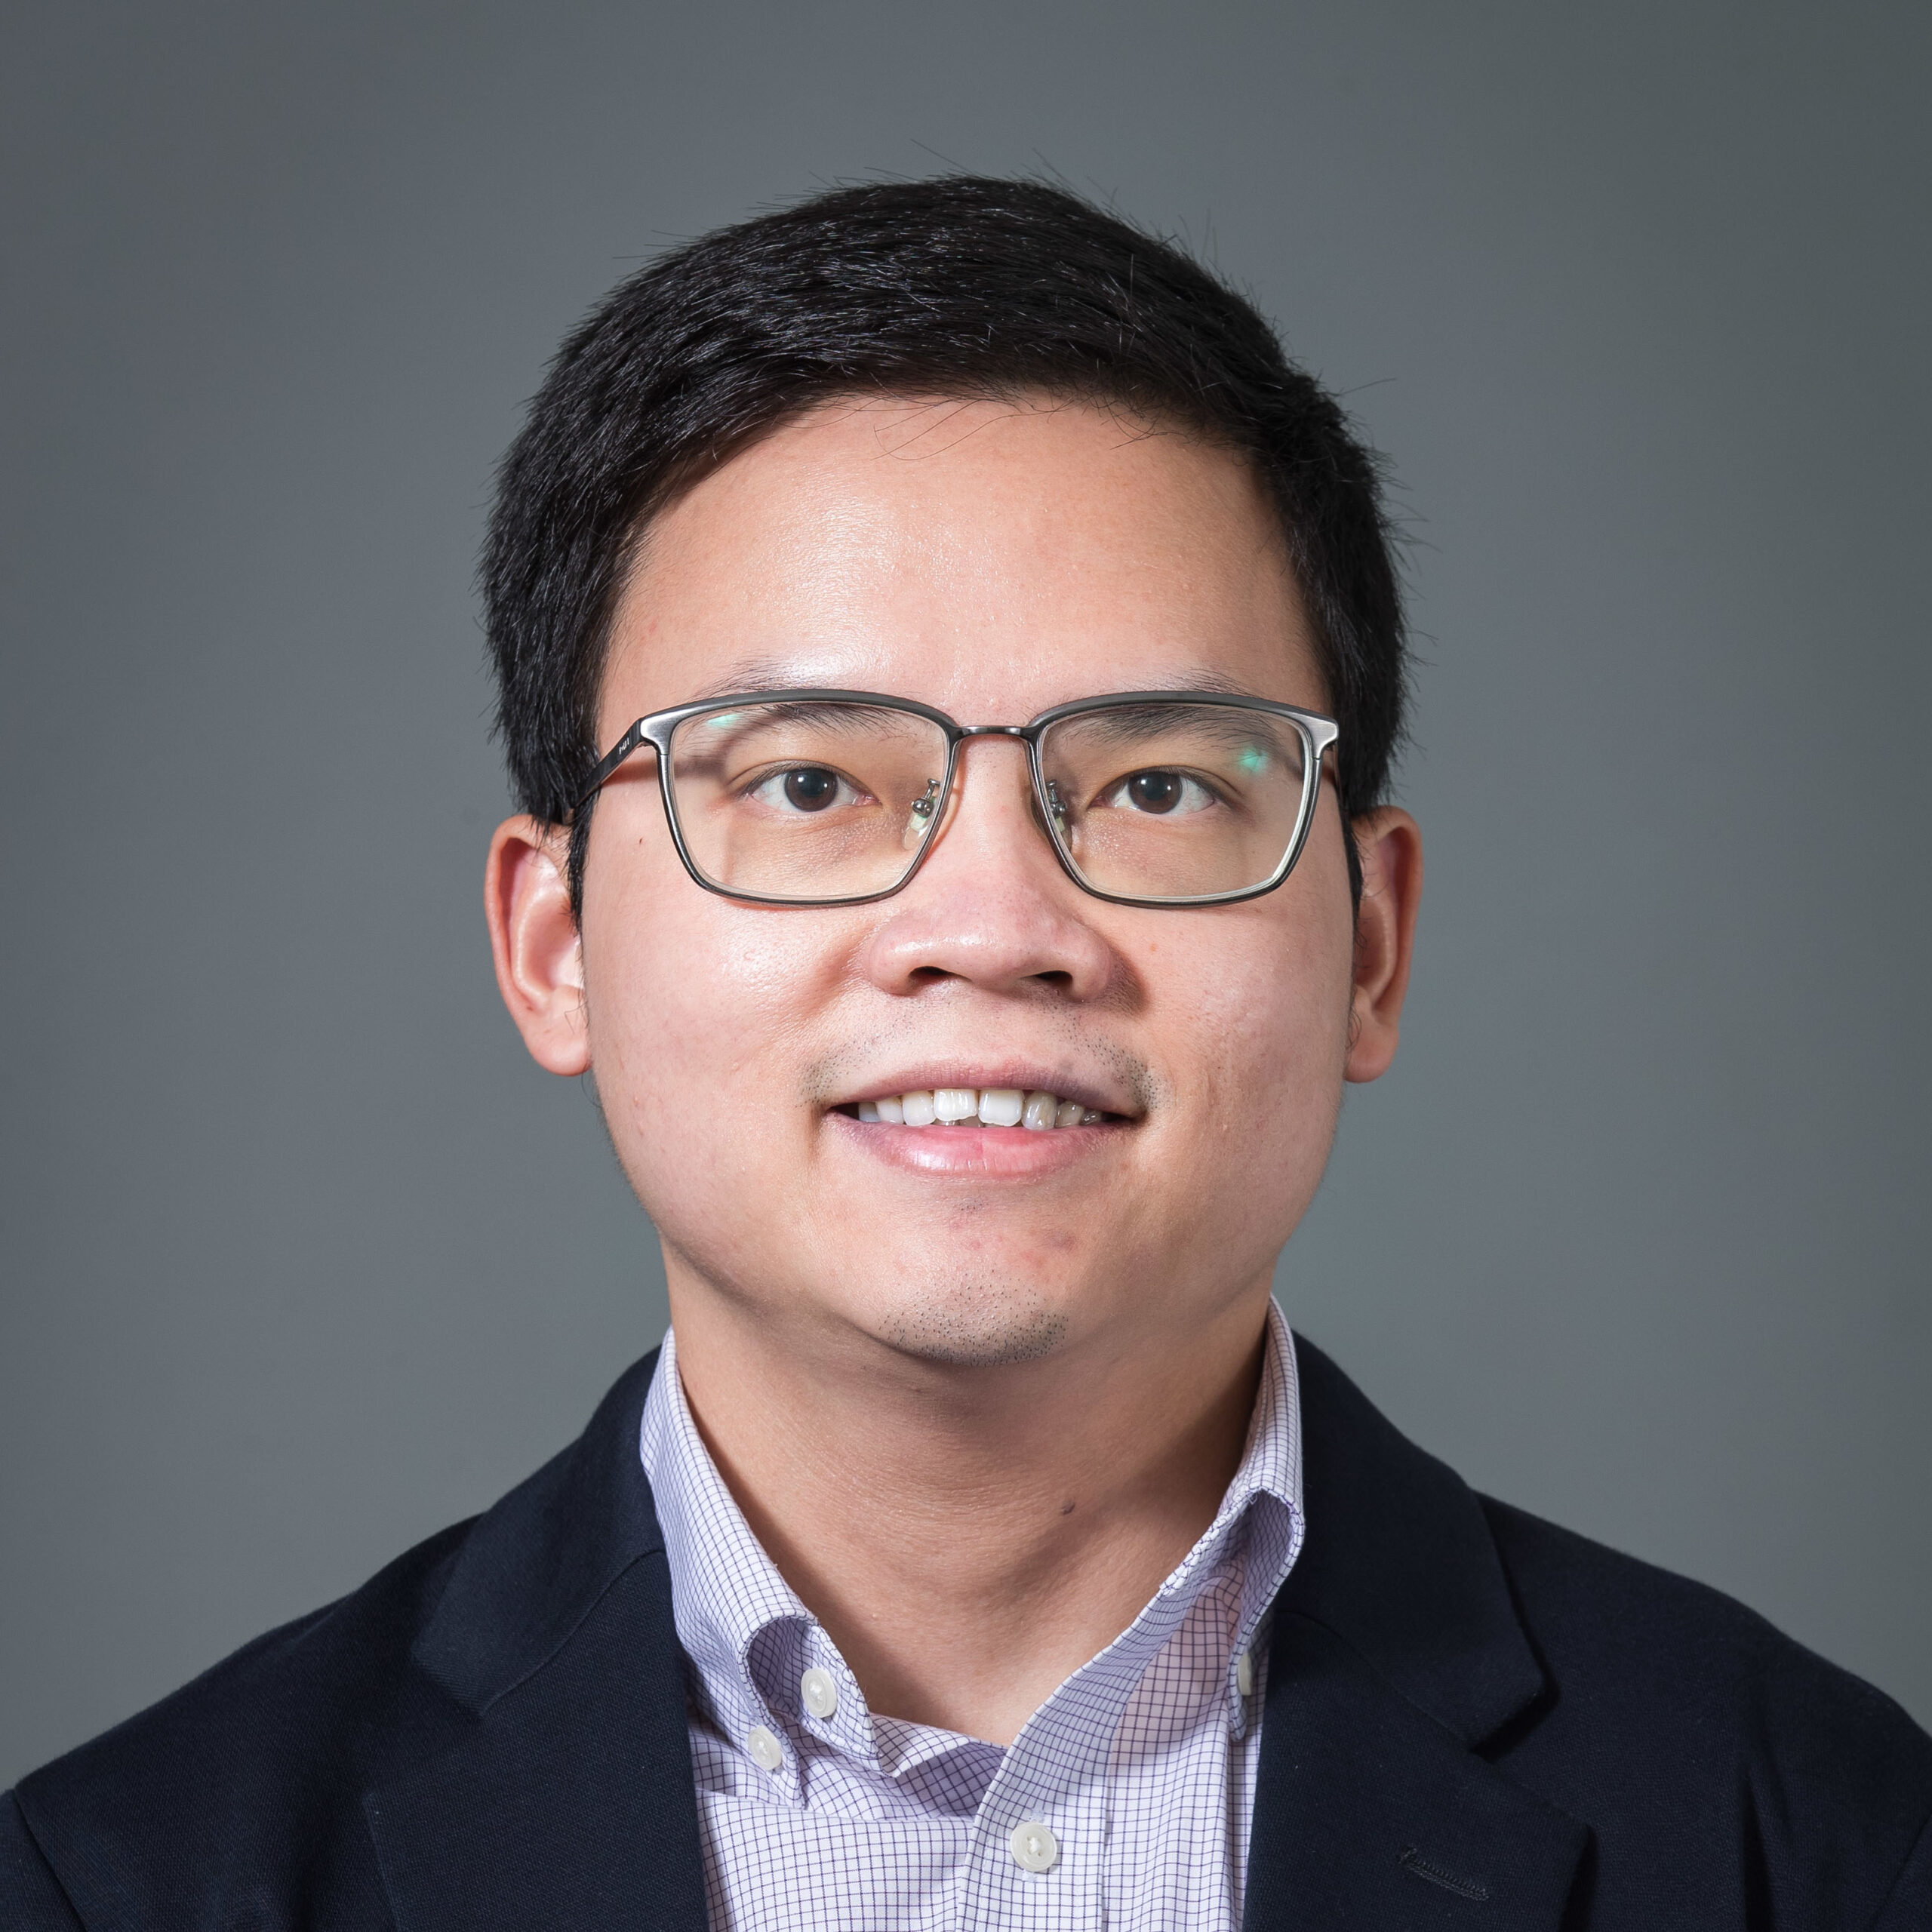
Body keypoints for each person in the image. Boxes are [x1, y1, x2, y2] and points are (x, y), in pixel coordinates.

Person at [5, 176, 1927, 1932]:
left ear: (1372, 941)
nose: (993, 924)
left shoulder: (1823, 1845)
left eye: (1160, 782)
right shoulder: (126, 1883)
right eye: (813, 780)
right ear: (556, 937)